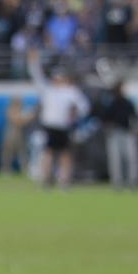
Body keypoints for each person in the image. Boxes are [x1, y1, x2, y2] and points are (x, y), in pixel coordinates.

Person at [28, 49, 90, 188]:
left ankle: (64, 180)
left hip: (64, 126)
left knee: (65, 155)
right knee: (48, 153)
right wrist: (33, 62)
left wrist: (75, 114)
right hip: (50, 126)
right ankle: (46, 180)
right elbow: (37, 77)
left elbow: (84, 107)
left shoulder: (71, 91)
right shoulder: (49, 90)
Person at [101, 81, 138, 189]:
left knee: (131, 158)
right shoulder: (110, 103)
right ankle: (117, 182)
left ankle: (133, 181)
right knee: (115, 159)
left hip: (127, 132)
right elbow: (104, 118)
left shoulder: (128, 102)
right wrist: (108, 128)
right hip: (114, 133)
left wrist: (136, 129)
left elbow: (134, 117)